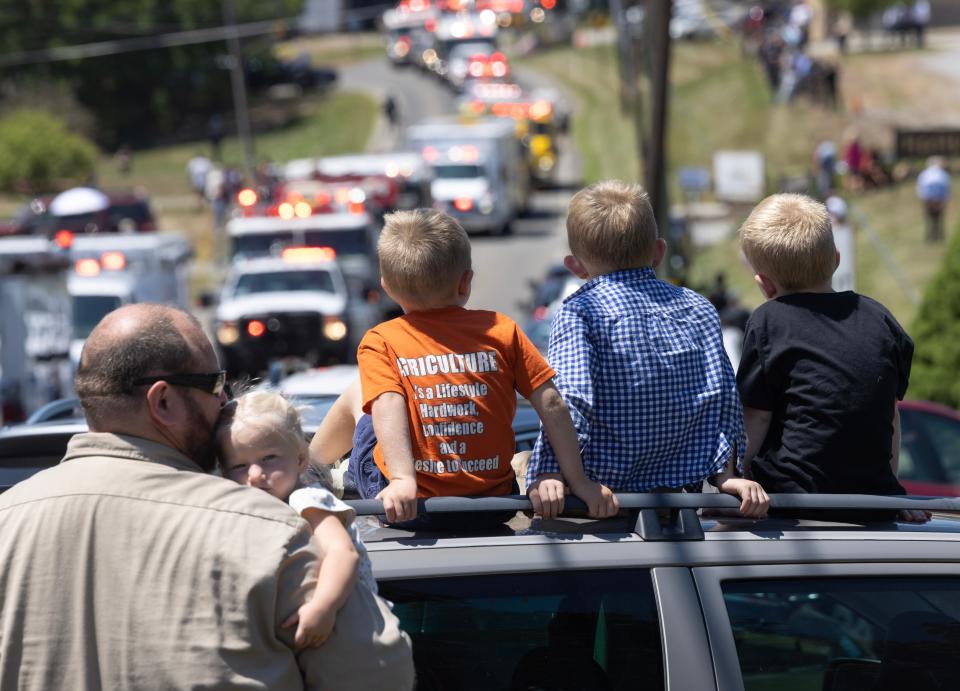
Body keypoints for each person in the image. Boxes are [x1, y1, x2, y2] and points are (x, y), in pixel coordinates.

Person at [0, 304, 414, 690]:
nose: (224, 400)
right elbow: (379, 674)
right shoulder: (271, 530)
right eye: (215, 385)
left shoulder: (6, 522)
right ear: (162, 400)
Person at [324, 208, 617, 526]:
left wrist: (402, 480)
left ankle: (310, 466)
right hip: (492, 505)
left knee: (362, 395)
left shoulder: (380, 340)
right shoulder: (502, 330)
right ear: (466, 283)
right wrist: (579, 482)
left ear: (387, 287)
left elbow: (389, 405)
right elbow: (551, 402)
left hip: (411, 509)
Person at [526, 180, 769, 520]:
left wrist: (551, 470)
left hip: (603, 499)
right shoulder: (698, 307)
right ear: (659, 252)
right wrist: (727, 476)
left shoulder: (581, 311)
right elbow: (723, 398)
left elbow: (571, 400)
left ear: (575, 266)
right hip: (679, 502)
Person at [736, 194, 929, 523]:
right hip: (871, 499)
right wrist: (889, 493)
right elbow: (889, 416)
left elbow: (756, 418)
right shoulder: (881, 320)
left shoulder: (768, 322)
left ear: (764, 284)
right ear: (836, 260)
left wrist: (734, 477)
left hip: (792, 498)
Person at [217, 391, 378, 649]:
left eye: (268, 459)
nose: (256, 475)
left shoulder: (307, 500)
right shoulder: (260, 507)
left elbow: (343, 553)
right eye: (240, 466)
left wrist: (322, 607)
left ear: (301, 459)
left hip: (352, 632)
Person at [916, 156, 951, 242]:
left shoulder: (925, 174)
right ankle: (938, 236)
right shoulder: (943, 174)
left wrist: (924, 198)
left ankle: (930, 237)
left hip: (929, 199)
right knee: (939, 219)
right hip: (938, 199)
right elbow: (947, 188)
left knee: (929, 219)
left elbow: (920, 188)